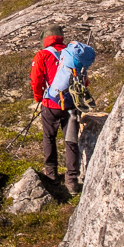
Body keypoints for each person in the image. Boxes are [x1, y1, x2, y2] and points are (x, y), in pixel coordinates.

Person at [29, 23, 91, 194]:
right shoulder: (72, 54)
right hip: (72, 105)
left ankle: (52, 175)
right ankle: (72, 181)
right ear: (60, 37)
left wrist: (39, 98)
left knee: (49, 137)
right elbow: (84, 80)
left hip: (51, 105)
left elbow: (36, 81)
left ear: (45, 39)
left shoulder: (42, 55)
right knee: (71, 141)